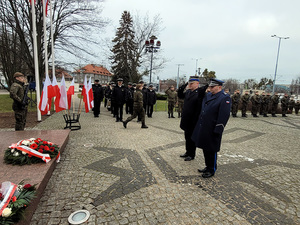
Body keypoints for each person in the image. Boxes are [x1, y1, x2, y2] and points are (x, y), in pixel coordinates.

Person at [192, 78, 231, 178]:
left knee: (211, 150)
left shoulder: (224, 98)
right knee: (205, 148)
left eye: (212, 87)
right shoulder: (209, 95)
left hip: (213, 128)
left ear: (219, 87)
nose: (210, 88)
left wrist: (218, 129)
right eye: (210, 86)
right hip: (204, 126)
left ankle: (212, 169)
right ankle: (207, 166)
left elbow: (224, 115)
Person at [177, 76, 207, 161]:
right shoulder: (188, 92)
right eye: (189, 83)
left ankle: (191, 154)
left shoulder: (200, 93)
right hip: (186, 119)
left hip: (194, 120)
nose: (190, 85)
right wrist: (183, 86)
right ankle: (187, 151)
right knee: (187, 136)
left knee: (192, 138)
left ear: (197, 84)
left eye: (192, 83)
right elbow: (180, 95)